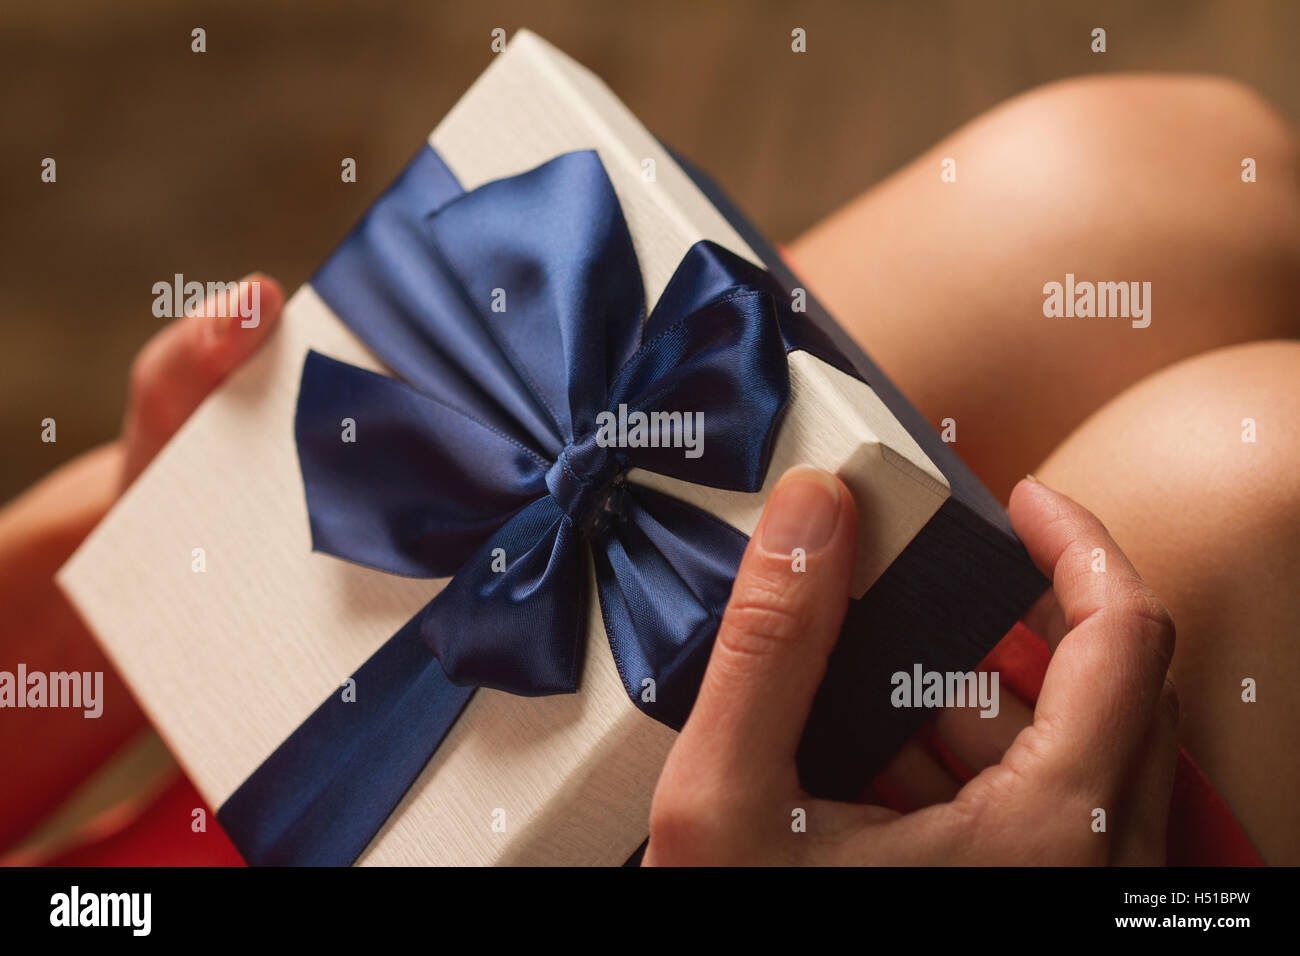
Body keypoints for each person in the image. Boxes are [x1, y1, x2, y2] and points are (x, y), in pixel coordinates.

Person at [2, 74, 1296, 865]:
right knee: (1253, 490)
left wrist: (148, 556)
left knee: (1133, 188)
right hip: (467, 824)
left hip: (284, 728)